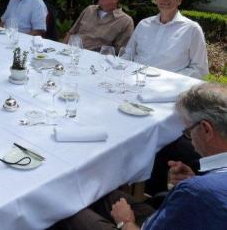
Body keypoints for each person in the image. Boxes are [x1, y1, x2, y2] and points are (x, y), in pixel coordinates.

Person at [56, 82, 227, 230]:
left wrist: (125, 222)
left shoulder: (198, 192)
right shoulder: (203, 187)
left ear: (206, 129)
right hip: (178, 216)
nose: (190, 140)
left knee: (64, 209)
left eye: (188, 131)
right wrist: (192, 179)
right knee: (95, 190)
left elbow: (204, 195)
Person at [126, 0, 208, 79]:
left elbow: (199, 68)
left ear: (179, 0)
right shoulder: (144, 24)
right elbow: (128, 54)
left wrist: (170, 79)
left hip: (167, 86)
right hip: (134, 78)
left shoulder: (192, 29)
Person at [64, 0, 134, 52]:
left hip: (96, 59)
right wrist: (62, 49)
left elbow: (120, 50)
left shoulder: (125, 21)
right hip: (73, 52)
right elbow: (71, 33)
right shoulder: (89, 9)